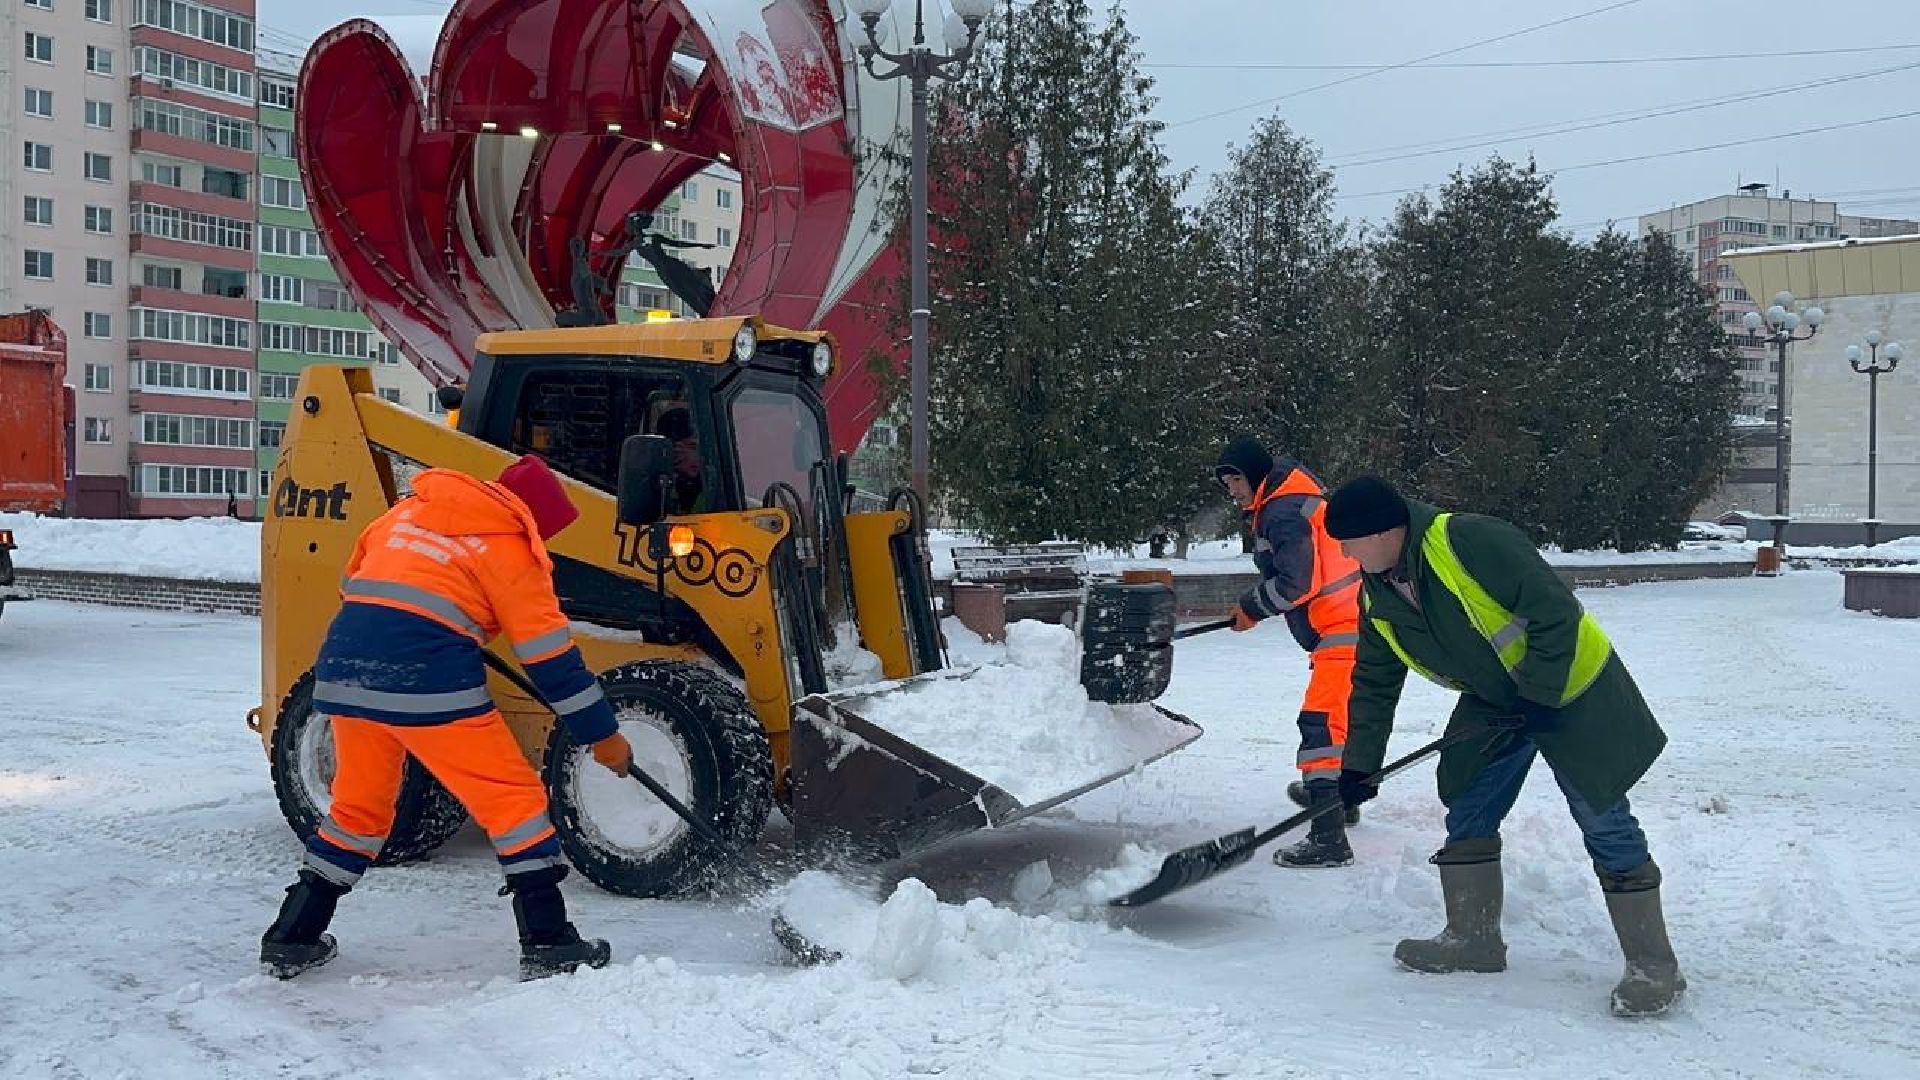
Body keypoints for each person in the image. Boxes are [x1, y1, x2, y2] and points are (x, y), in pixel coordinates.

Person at [258, 455, 635, 982]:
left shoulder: (404, 515)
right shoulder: (511, 547)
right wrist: (603, 735)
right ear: (532, 518)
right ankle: (549, 941)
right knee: (514, 802)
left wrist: (459, 619)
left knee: (358, 810)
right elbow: (552, 661)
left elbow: (359, 589)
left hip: (345, 670)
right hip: (426, 679)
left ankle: (291, 935)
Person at [1324, 475, 1685, 1017]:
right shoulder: (1377, 595)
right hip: (1497, 696)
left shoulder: (1469, 540)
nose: (1346, 554)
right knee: (1469, 799)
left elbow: (1555, 613)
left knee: (1601, 814)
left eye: (1349, 542)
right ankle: (1472, 939)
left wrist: (1539, 695)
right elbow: (1374, 683)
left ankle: (1654, 965)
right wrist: (1359, 767)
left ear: (1383, 532)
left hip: (1569, 684)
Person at [1213, 436, 1364, 868]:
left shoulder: (1283, 510)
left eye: (1236, 479)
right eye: (1226, 484)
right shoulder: (1292, 499)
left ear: (1255, 474)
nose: (1232, 490)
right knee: (1342, 722)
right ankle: (1340, 799)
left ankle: (1329, 838)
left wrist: (1251, 607)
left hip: (1343, 629)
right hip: (1350, 625)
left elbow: (1298, 582)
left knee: (1320, 726)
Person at [656, 407, 706, 514]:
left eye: (693, 447)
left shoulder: (716, 487)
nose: (696, 457)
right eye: (692, 447)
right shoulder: (659, 486)